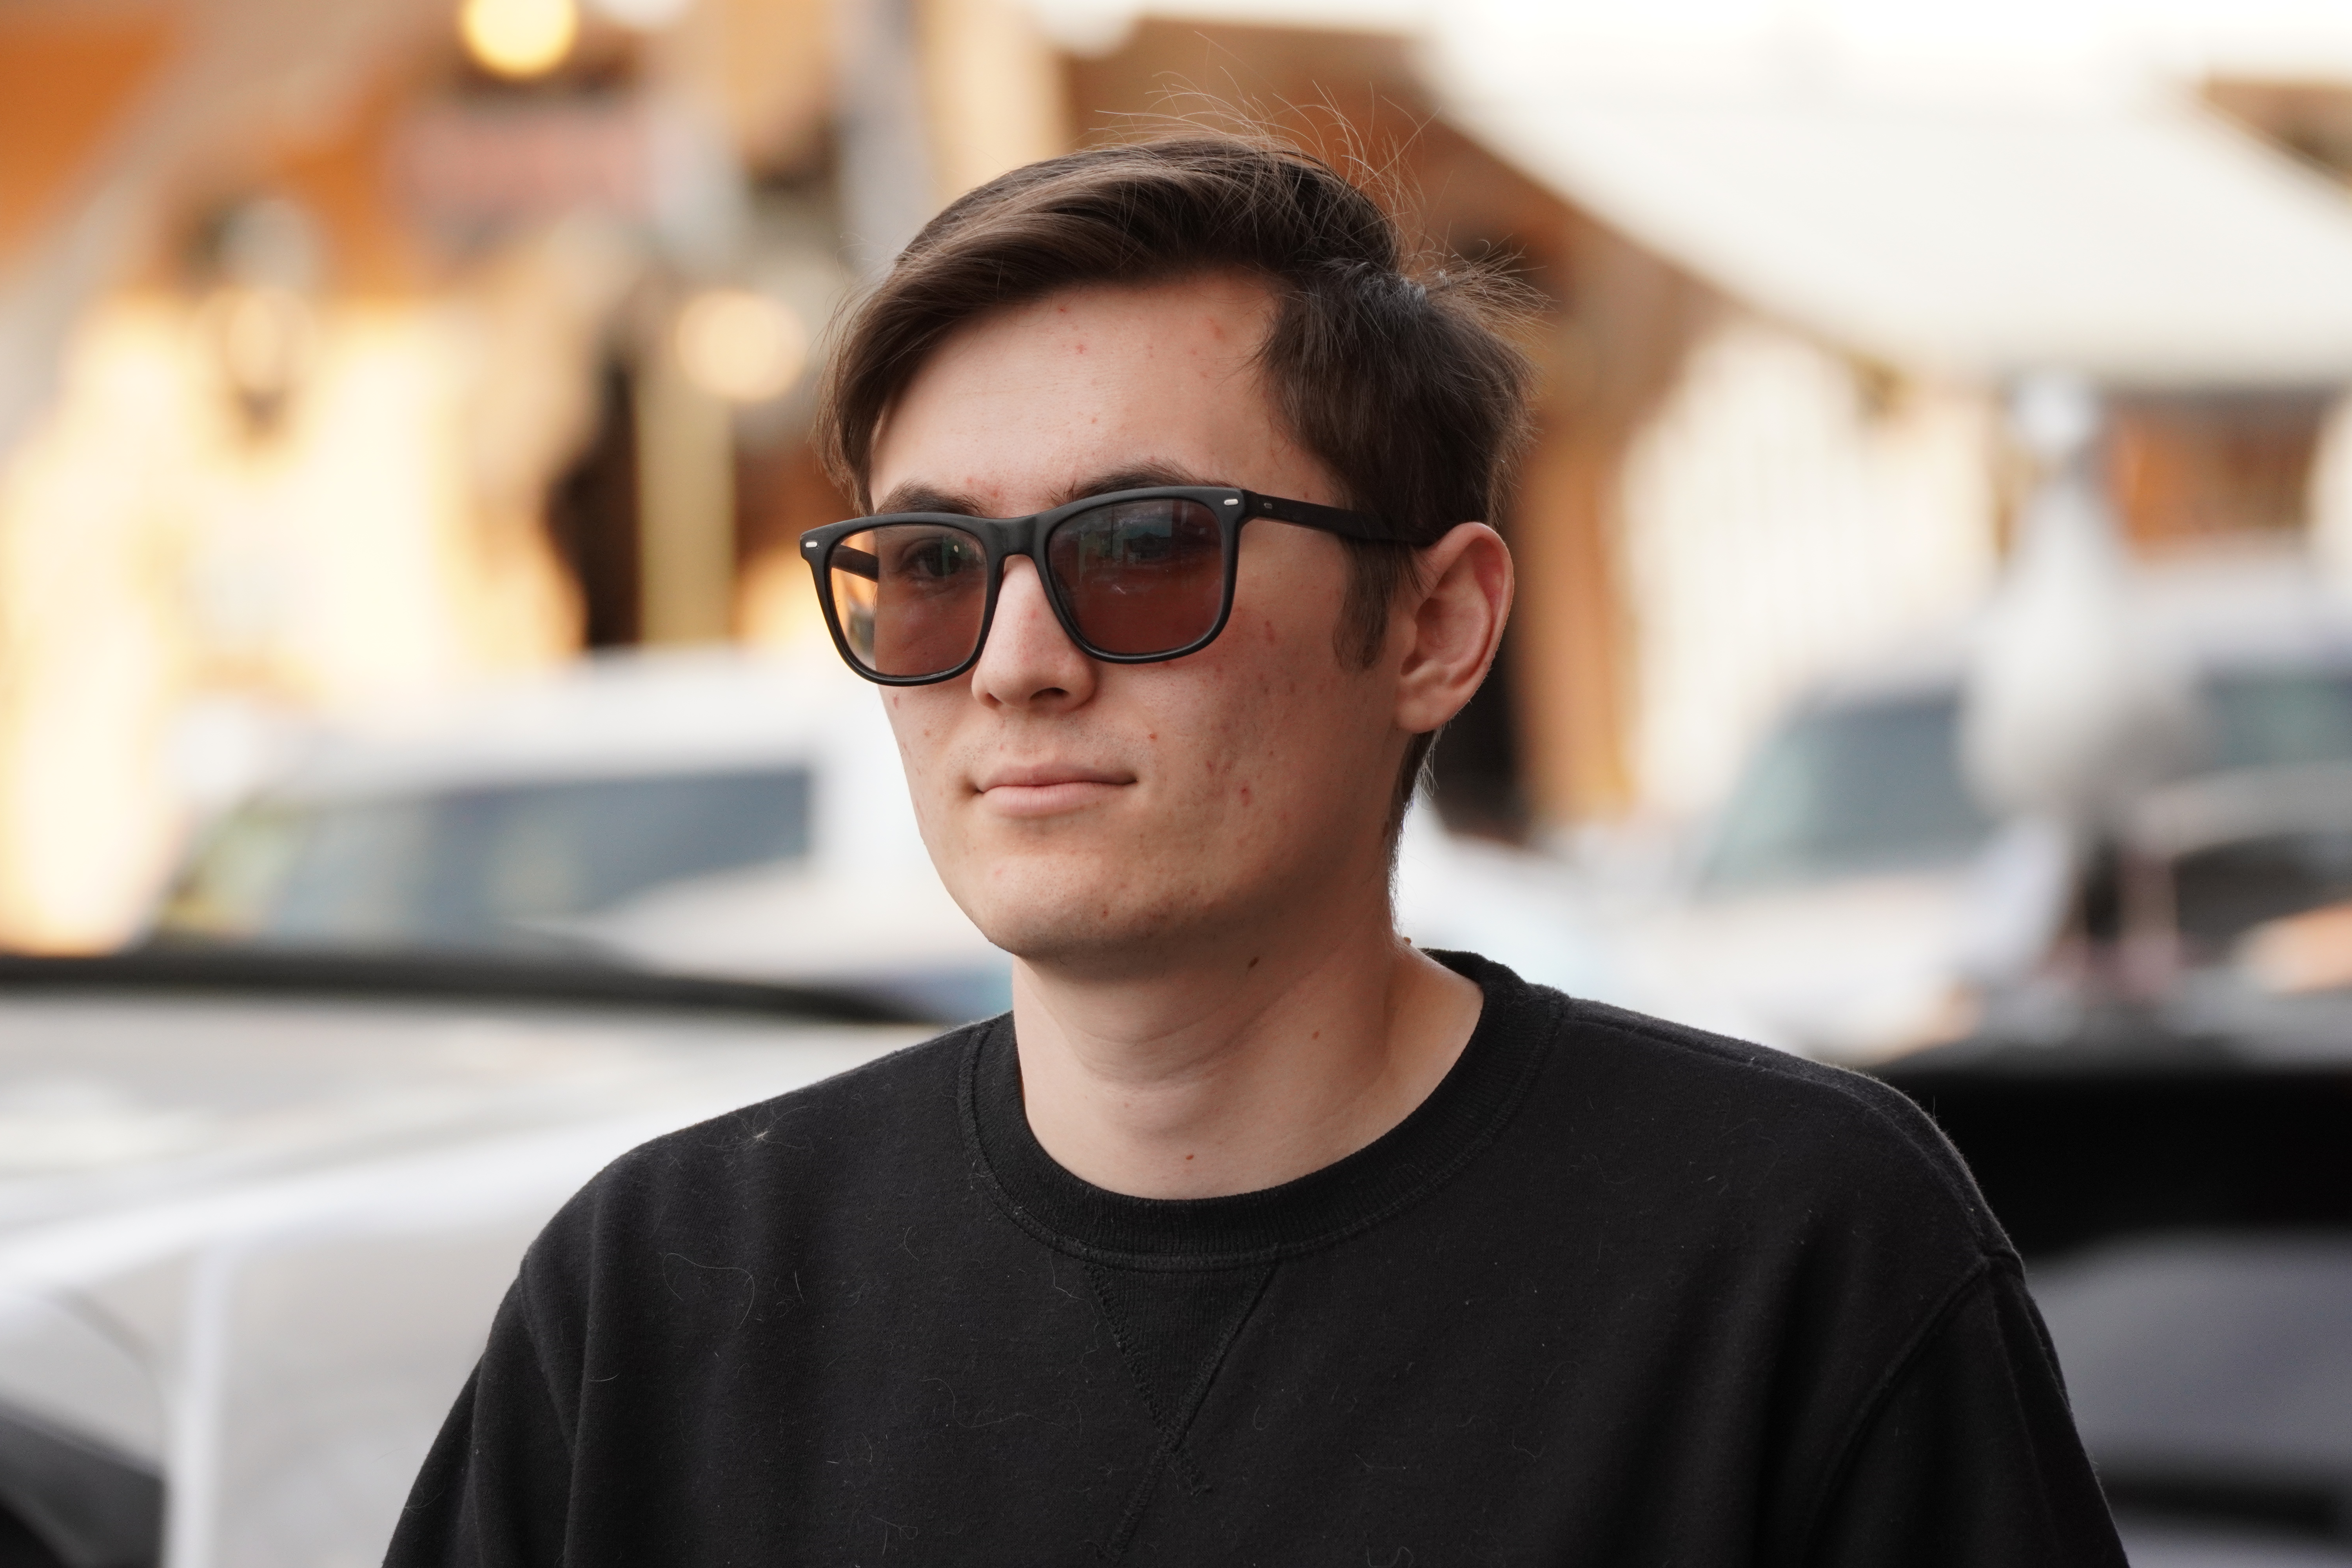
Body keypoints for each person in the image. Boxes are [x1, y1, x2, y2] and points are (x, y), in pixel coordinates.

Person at [389, 135, 2127, 1566]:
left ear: (1436, 624)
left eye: (1142, 546)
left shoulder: (1788, 1251)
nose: (1015, 660)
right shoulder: (666, 1291)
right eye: (928, 565)